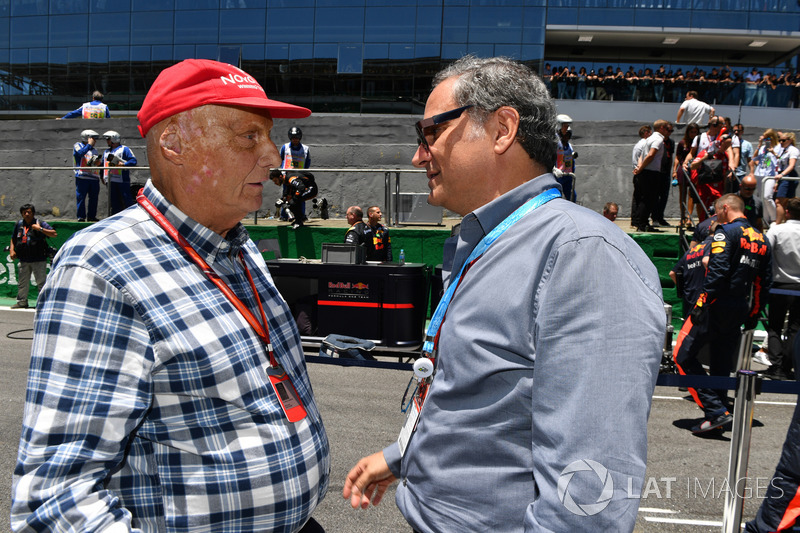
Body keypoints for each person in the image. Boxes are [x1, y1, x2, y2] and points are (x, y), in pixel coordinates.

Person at [343, 55, 664, 531]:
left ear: (502, 129)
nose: (418, 154)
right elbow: (480, 399)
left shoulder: (581, 256)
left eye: (430, 132)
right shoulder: (489, 241)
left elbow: (589, 494)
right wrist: (403, 455)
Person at [12, 59, 330, 533]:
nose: (272, 156)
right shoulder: (101, 268)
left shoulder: (238, 247)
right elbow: (57, 501)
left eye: (270, 136)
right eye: (249, 136)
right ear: (174, 144)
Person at [673, 194, 771, 433]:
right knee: (720, 362)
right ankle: (720, 413)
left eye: (717, 212)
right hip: (738, 309)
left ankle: (715, 411)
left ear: (725, 208)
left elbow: (716, 273)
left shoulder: (725, 232)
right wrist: (754, 314)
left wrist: (700, 304)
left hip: (713, 305)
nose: (716, 217)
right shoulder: (762, 238)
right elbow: (762, 282)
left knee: (681, 355)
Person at [762, 197, 800, 381]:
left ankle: (777, 366)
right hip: (798, 286)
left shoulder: (777, 230)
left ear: (787, 212)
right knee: (794, 328)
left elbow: (765, 252)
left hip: (779, 285)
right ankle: (786, 365)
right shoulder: (777, 230)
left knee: (775, 326)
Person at [9, 204, 57, 309]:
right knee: (22, 282)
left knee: (41, 282)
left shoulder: (40, 223)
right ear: (22, 214)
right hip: (24, 259)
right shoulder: (19, 225)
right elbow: (13, 238)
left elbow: (53, 233)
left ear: (33, 213)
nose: (27, 214)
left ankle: (43, 303)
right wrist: (12, 250)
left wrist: (40, 229)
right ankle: (22, 302)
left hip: (38, 258)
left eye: (29, 212)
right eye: (24, 212)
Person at [633, 119, 672, 232]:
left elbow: (642, 155)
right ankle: (642, 224)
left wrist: (639, 167)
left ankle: (643, 223)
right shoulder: (658, 140)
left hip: (646, 172)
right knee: (649, 199)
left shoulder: (648, 139)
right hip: (651, 173)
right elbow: (650, 155)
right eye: (666, 128)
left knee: (646, 198)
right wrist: (641, 167)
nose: (668, 131)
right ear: (661, 128)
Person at [102, 130, 138, 215]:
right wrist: (101, 176)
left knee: (127, 199)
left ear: (114, 139)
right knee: (114, 202)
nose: (107, 141)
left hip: (122, 180)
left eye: (108, 139)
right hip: (110, 180)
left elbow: (133, 161)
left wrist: (124, 164)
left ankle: (132, 216)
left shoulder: (124, 149)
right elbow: (102, 165)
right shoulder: (106, 152)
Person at [72, 128, 104, 222]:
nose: (95, 141)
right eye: (93, 138)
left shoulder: (94, 150)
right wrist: (89, 145)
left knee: (94, 198)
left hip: (94, 177)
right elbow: (80, 153)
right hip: (82, 176)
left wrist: (98, 163)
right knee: (81, 197)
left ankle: (91, 216)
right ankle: (81, 217)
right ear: (87, 138)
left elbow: (96, 162)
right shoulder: (78, 145)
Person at [751, 129, 780, 226]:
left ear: (772, 138)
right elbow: (754, 158)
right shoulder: (763, 148)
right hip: (760, 173)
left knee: (767, 197)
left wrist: (774, 153)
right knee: (762, 198)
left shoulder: (778, 147)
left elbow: (780, 161)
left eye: (768, 138)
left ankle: (774, 219)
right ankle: (765, 220)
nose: (766, 141)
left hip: (771, 175)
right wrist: (759, 145)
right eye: (765, 138)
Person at [675, 122, 701, 227]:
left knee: (692, 194)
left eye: (695, 132)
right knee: (682, 194)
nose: (693, 134)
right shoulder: (683, 143)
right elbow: (677, 157)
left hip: (694, 169)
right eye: (691, 132)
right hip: (683, 169)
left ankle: (689, 218)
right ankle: (682, 217)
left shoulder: (699, 143)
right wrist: (674, 170)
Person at [775, 132, 799, 225]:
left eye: (783, 140)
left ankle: (778, 224)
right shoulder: (784, 150)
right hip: (783, 176)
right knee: (785, 203)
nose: (781, 142)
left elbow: (791, 165)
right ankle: (786, 222)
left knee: (779, 202)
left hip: (788, 176)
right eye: (779, 140)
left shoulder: (793, 150)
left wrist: (782, 175)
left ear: (790, 140)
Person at [555, 113, 577, 202]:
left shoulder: (569, 146)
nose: (566, 128)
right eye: (564, 126)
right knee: (557, 196)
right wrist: (553, 169)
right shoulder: (555, 142)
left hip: (567, 175)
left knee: (572, 196)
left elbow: (571, 161)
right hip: (557, 175)